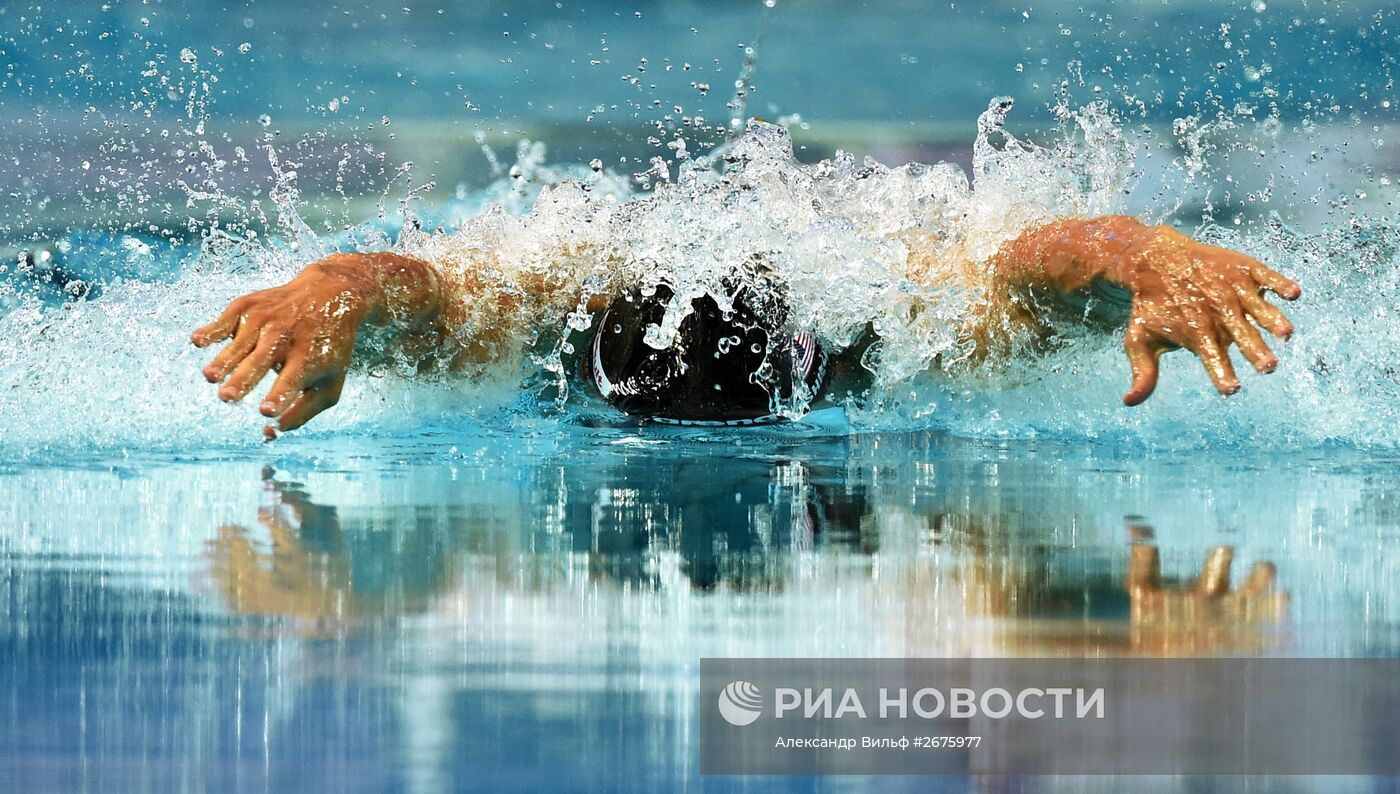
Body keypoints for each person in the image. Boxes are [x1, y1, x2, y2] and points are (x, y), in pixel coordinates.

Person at [190, 128, 1300, 439]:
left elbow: (1029, 264)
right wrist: (325, 291)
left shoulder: (900, 318)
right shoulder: (539, 312)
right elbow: (419, 287)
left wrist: (1146, 256)